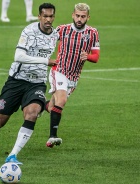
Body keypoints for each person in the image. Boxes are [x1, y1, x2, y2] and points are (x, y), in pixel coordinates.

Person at [0, 3, 58, 165]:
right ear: (39, 16)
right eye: (45, 16)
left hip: (37, 83)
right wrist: (46, 61)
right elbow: (18, 56)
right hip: (16, 81)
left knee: (32, 113)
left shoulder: (56, 34)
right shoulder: (29, 31)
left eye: (51, 16)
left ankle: (13, 155)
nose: (48, 19)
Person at [45, 3, 100, 148]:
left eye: (83, 16)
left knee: (53, 107)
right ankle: (52, 137)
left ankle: (38, 104)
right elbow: (47, 42)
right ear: (73, 15)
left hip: (74, 77)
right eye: (77, 16)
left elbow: (96, 57)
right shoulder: (63, 29)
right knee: (61, 101)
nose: (79, 19)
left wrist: (87, 56)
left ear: (88, 17)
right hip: (59, 70)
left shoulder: (93, 33)